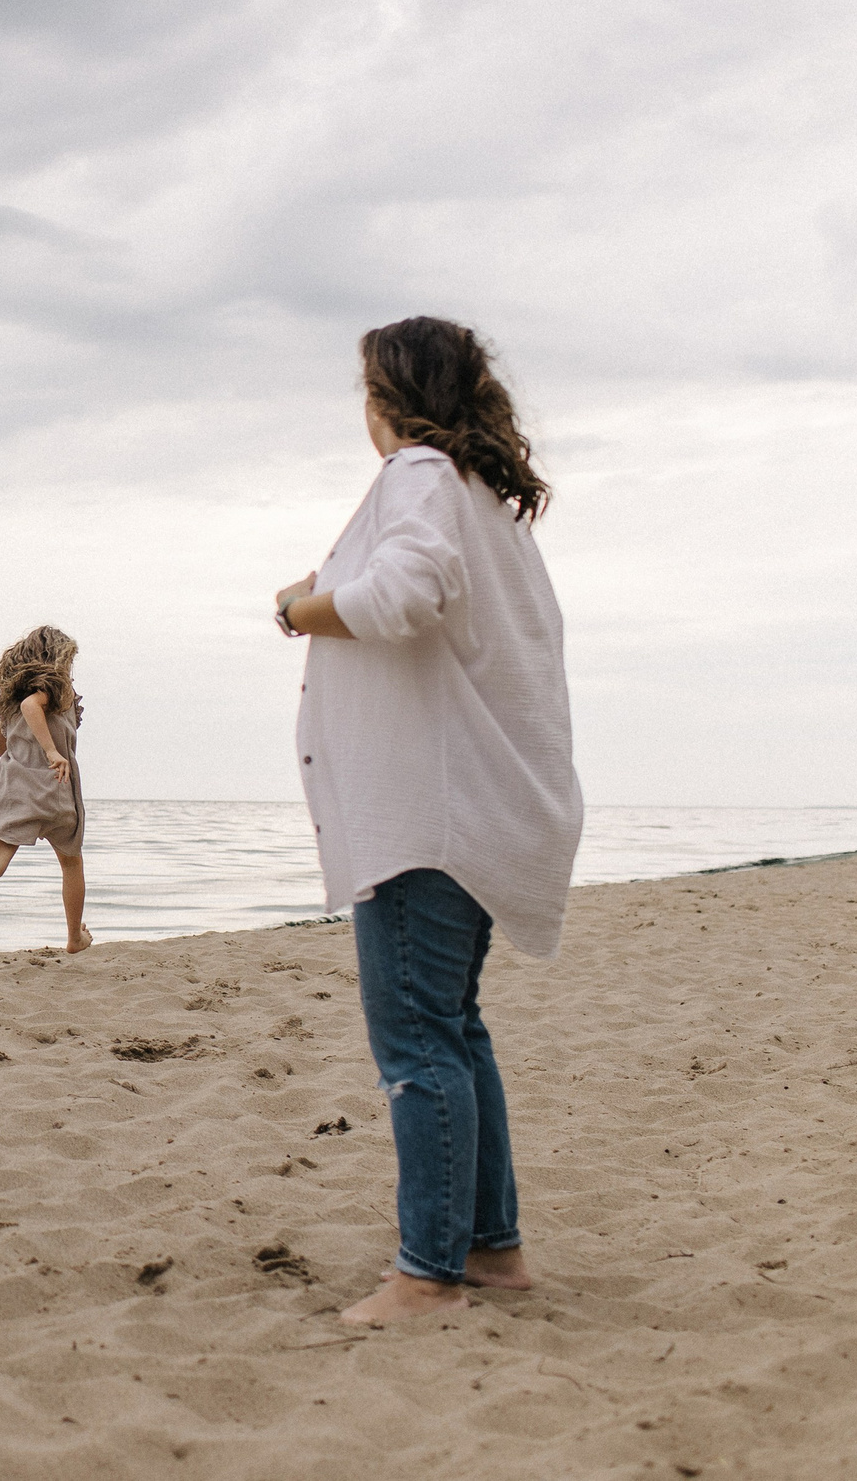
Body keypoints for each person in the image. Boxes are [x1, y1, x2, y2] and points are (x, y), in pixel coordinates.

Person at [271, 316, 581, 1326]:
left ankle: (426, 1275)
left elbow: (404, 593)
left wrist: (303, 606)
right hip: (487, 810)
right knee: (454, 1028)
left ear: (388, 398)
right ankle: (491, 1253)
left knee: (415, 1041)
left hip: (429, 816)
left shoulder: (417, 472)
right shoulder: (483, 498)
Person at [0, 625, 91, 955]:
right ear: (58, 659)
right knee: (71, 864)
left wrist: (23, 745)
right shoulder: (55, 691)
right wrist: (51, 751)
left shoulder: (13, 704)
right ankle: (74, 938)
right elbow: (31, 708)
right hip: (56, 794)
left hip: (14, 792)